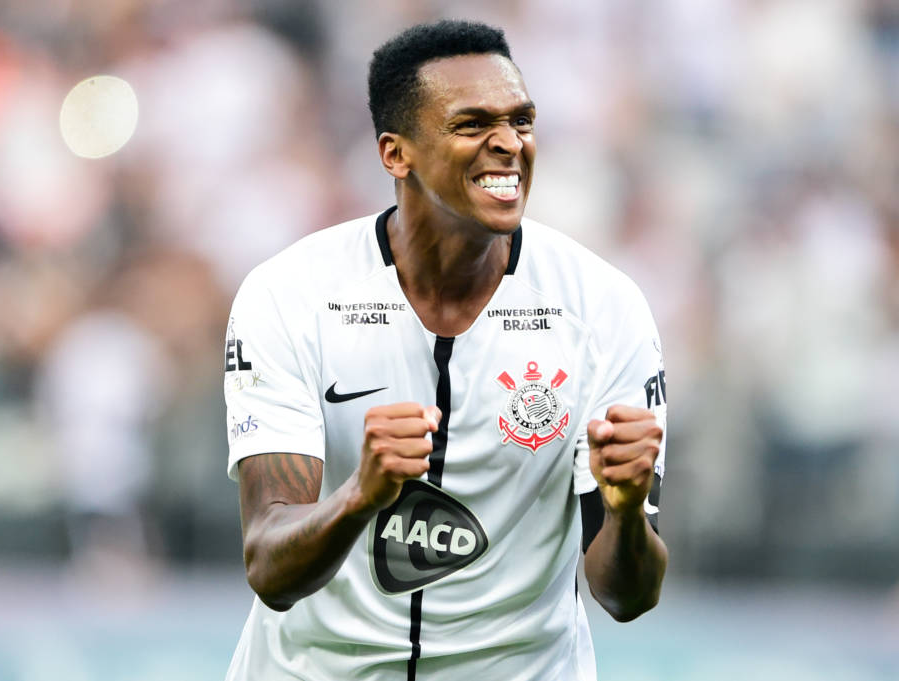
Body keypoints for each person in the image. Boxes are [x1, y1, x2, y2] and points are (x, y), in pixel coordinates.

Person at [222, 19, 668, 681]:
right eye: (472, 124)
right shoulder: (289, 295)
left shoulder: (604, 308)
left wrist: (627, 513)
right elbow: (269, 566)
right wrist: (359, 495)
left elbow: (626, 597)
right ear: (395, 153)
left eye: (521, 120)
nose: (509, 143)